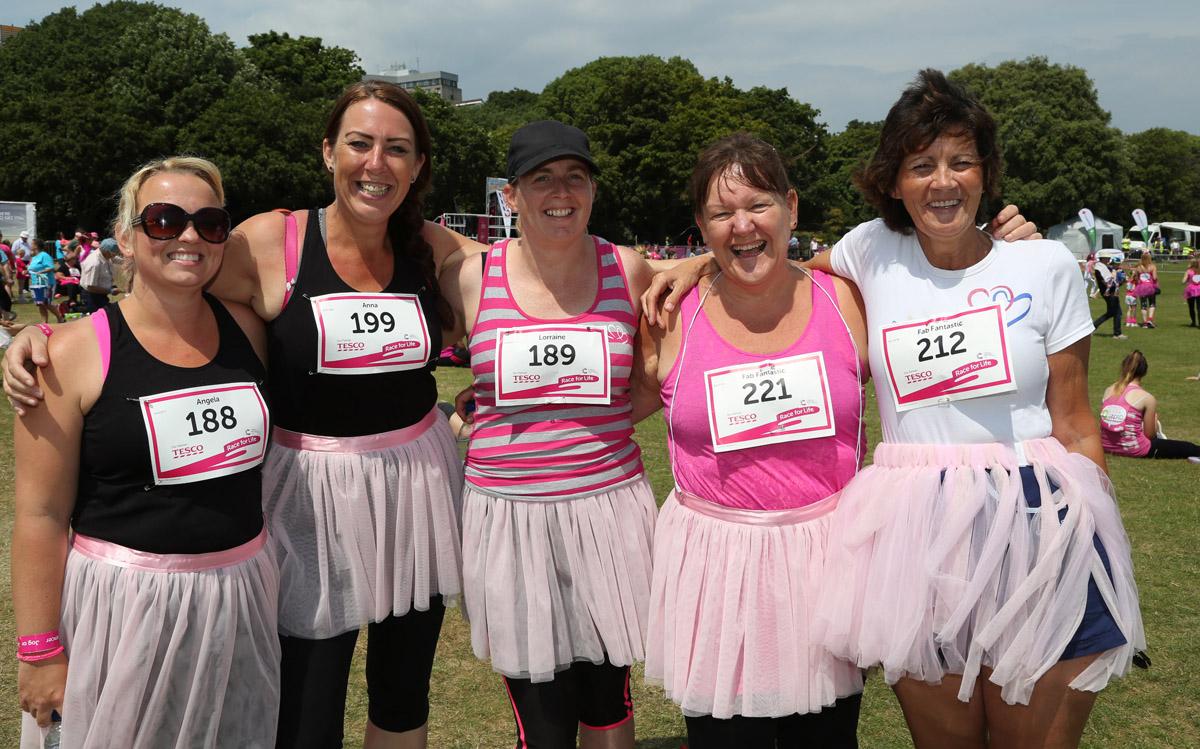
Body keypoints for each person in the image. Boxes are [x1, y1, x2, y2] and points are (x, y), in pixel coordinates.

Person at [4, 80, 469, 749]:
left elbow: (527, 274)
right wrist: (39, 338)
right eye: (360, 143)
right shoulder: (266, 244)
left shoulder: (431, 249)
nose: (377, 162)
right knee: (304, 704)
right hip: (301, 506)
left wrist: (679, 264)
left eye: (397, 148)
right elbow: (160, 301)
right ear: (327, 152)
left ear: (419, 164)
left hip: (405, 496)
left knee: (400, 692)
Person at [802, 70, 1144, 749]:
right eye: (921, 164)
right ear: (894, 181)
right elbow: (784, 272)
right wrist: (697, 267)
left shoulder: (1044, 266)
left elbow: (1076, 421)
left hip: (1040, 519)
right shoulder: (871, 249)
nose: (943, 181)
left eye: (961, 161)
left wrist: (1098, 549)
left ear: (987, 173)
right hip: (915, 535)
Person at [12, 156, 279, 747]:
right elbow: (39, 516)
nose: (188, 236)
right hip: (123, 608)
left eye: (209, 223)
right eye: (163, 220)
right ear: (126, 240)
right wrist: (38, 650)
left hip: (238, 599)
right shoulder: (71, 354)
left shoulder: (250, 330)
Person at [635, 133, 868, 748]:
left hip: (827, 564)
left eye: (759, 205)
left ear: (791, 206)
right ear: (700, 226)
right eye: (720, 213)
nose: (742, 226)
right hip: (716, 571)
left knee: (827, 737)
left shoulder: (847, 297)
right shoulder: (666, 316)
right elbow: (606, 404)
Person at [442, 120, 658, 749]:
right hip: (507, 516)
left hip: (607, 508)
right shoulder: (470, 276)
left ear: (592, 189)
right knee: (540, 709)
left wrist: (578, 429)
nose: (560, 191)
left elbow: (650, 382)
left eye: (575, 177)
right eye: (542, 179)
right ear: (511, 195)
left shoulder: (631, 270)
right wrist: (463, 418)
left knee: (607, 697)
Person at [1100, 350, 1200, 461]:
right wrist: (1154, 423)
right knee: (1188, 447)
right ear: (1144, 372)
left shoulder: (1108, 391)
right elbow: (1150, 436)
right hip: (1135, 449)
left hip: (1106, 446)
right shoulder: (1147, 398)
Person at [79, 238, 119, 313]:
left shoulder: (105, 255)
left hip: (101, 294)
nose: (114, 255)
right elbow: (90, 287)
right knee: (99, 319)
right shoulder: (95, 263)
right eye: (114, 253)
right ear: (107, 251)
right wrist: (110, 291)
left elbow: (117, 259)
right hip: (92, 296)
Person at [28, 239, 63, 324]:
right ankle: (44, 322)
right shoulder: (34, 257)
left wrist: (40, 272)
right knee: (40, 303)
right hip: (36, 283)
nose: (30, 245)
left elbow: (51, 267)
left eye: (32, 244)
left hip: (47, 283)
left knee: (46, 302)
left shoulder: (44, 255)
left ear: (36, 246)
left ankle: (60, 317)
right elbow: (33, 268)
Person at [1091, 254, 1125, 339]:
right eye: (1107, 258)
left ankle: (1093, 327)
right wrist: (1120, 282)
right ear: (1103, 259)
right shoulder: (1100, 269)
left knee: (1112, 313)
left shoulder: (1104, 268)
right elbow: (1106, 283)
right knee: (1116, 312)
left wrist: (1120, 282)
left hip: (1111, 292)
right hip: (1109, 293)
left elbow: (1111, 282)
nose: (1109, 259)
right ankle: (1117, 333)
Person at [1132, 252, 1158, 328]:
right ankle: (1150, 319)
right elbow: (1155, 278)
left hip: (1141, 287)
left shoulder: (1139, 267)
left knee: (1143, 304)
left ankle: (1144, 322)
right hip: (1150, 287)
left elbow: (1136, 277)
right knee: (1152, 303)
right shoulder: (1152, 267)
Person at [1182, 258, 1200, 327]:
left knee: (1191, 307)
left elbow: (1183, 281)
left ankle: (1193, 322)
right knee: (1199, 307)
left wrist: (1186, 281)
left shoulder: (1188, 271)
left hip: (1190, 290)